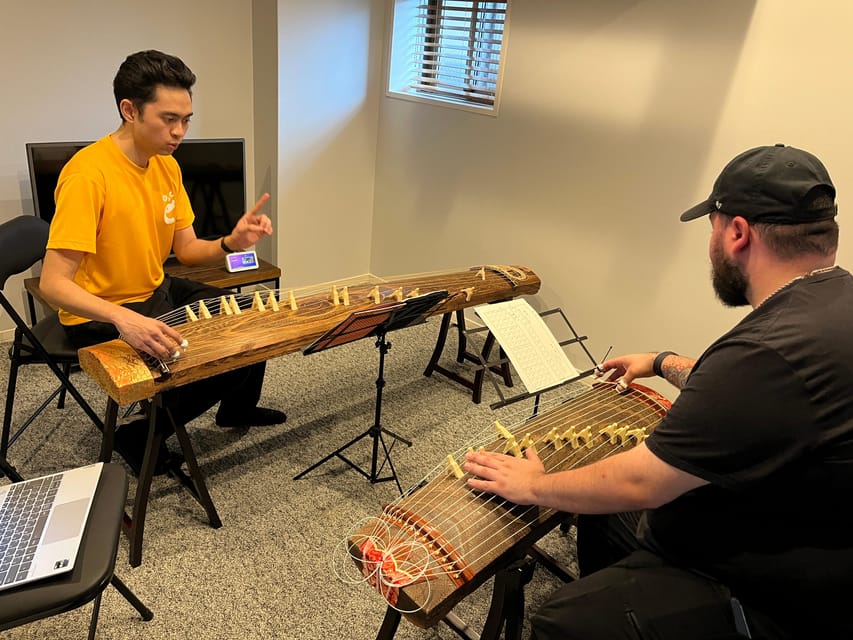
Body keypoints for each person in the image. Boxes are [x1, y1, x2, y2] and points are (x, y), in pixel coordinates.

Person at [464, 144, 853, 639]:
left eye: (711, 228)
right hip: (809, 532)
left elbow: (642, 481)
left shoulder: (763, 353)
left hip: (772, 594)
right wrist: (661, 361)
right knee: (599, 513)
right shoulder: (831, 303)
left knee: (561, 622)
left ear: (737, 233)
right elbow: (758, 402)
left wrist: (533, 486)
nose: (710, 243)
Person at [39, 50, 286, 475]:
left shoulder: (166, 166)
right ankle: (140, 433)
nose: (179, 132)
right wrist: (124, 320)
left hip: (154, 289)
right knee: (208, 355)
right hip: (98, 312)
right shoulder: (88, 176)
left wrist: (231, 241)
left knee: (254, 316)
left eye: (187, 120)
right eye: (169, 119)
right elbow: (53, 284)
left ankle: (236, 410)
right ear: (129, 110)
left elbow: (188, 251)